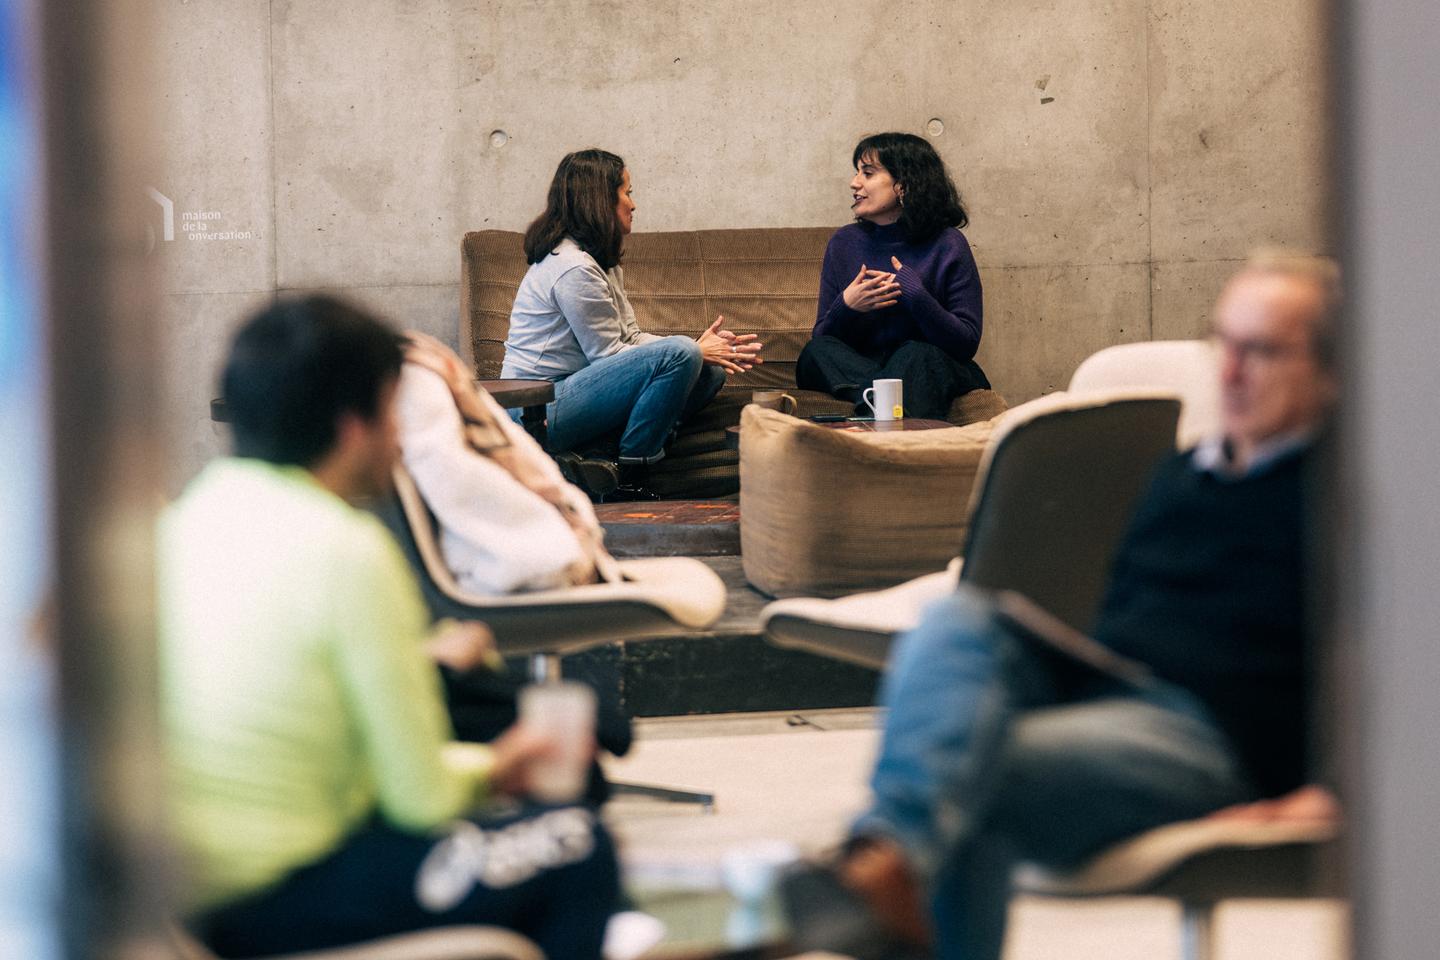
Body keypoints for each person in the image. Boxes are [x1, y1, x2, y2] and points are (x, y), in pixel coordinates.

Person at [782, 253, 1342, 960]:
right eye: (1222, 344)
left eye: (1261, 351)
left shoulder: (1346, 495)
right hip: (1105, 685)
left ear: (1329, 371)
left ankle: (877, 870)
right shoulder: (1185, 474)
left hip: (1215, 736)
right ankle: (884, 867)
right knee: (960, 618)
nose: (1230, 371)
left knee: (972, 769)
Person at [160, 296, 619, 958]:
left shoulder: (186, 519)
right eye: (392, 414)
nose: (402, 441)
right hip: (280, 897)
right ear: (354, 426)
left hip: (179, 896)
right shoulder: (347, 548)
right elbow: (419, 799)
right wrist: (499, 765)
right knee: (576, 842)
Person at [502, 148, 764, 499]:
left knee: (708, 372)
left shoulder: (600, 262)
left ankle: (596, 458)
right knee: (685, 354)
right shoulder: (572, 267)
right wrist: (692, 349)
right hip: (537, 409)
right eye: (627, 192)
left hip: (572, 395)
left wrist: (699, 353)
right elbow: (607, 354)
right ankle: (631, 474)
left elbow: (631, 337)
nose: (633, 204)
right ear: (600, 200)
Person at [398, 330, 621, 595]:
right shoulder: (417, 373)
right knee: (675, 354)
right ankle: (623, 462)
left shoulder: (416, 371)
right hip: (540, 570)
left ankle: (606, 460)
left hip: (544, 560)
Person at [797, 132, 990, 421]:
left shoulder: (948, 244)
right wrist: (846, 306)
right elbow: (824, 339)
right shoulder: (844, 243)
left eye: (868, 173)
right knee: (815, 352)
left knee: (915, 355)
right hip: (865, 363)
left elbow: (965, 343)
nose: (855, 183)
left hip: (932, 363)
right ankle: (886, 404)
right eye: (857, 172)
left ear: (903, 184)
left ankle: (871, 417)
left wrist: (917, 297)